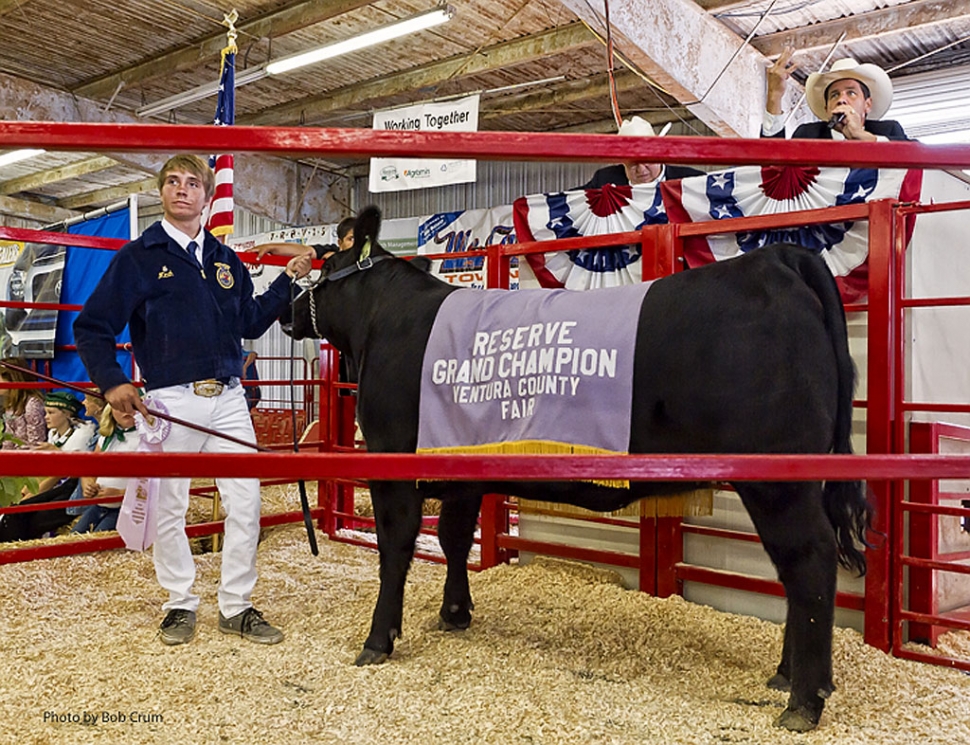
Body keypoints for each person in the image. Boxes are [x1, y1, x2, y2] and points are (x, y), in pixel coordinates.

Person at [74, 154, 312, 647]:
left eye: (192, 183)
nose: (182, 190)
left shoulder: (225, 261)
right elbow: (92, 326)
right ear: (163, 192)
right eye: (172, 182)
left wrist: (287, 280)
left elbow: (248, 322)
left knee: (246, 502)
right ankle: (179, 603)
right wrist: (113, 382)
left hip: (228, 398)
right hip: (169, 401)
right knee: (170, 506)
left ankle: (237, 605)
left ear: (207, 196)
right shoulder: (139, 256)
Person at [762, 50, 908, 141]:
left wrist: (860, 136)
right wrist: (774, 97)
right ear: (826, 109)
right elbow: (772, 166)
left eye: (851, 93)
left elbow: (915, 155)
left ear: (867, 104)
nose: (841, 100)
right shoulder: (809, 135)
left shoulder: (889, 131)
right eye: (834, 95)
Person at [580, 116, 704, 189]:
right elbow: (571, 201)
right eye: (632, 164)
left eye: (646, 161)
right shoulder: (603, 180)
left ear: (658, 154)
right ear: (622, 162)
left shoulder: (692, 181)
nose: (641, 169)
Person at [71, 404, 139, 534]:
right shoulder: (106, 436)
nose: (127, 411)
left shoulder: (146, 440)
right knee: (73, 538)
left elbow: (153, 483)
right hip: (99, 505)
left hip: (126, 509)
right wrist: (89, 486)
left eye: (134, 406)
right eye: (119, 406)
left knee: (96, 543)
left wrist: (120, 494)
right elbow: (90, 470)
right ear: (110, 410)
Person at [253, 215, 356, 261]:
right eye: (351, 239)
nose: (356, 243)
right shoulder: (330, 252)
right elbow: (304, 251)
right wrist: (269, 247)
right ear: (340, 242)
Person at [0, 358, 47, 449]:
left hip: (28, 458)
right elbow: (9, 439)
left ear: (12, 379)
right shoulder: (11, 404)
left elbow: (36, 442)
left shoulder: (32, 404)